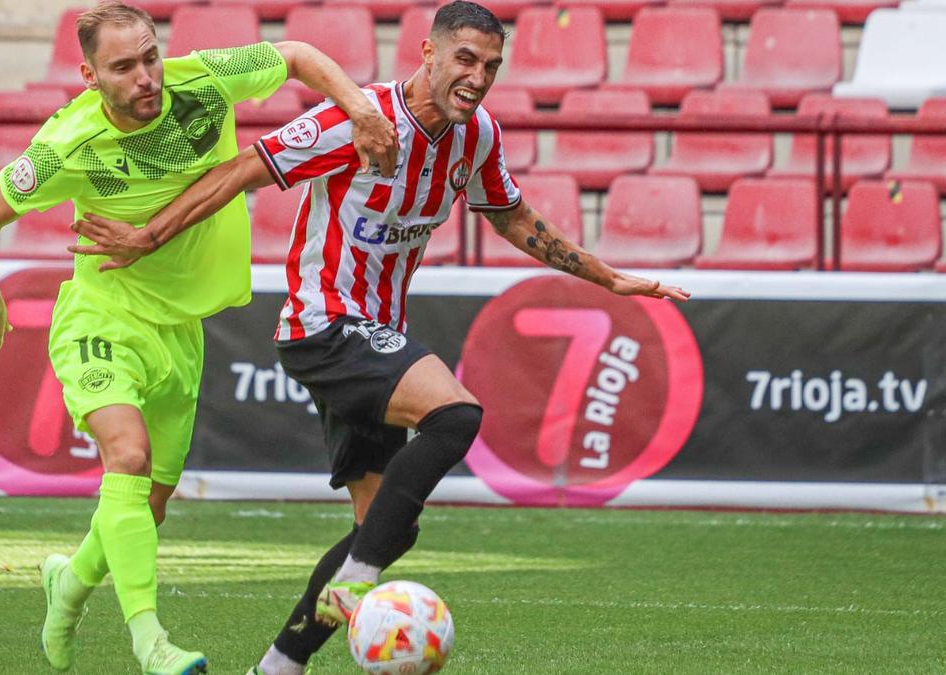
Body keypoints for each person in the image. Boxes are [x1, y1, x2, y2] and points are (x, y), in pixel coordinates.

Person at [68, 2, 690, 673]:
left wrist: (609, 278)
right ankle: (358, 573)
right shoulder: (358, 119)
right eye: (465, 60)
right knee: (456, 415)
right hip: (324, 324)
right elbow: (245, 168)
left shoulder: (475, 135)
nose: (477, 78)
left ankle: (277, 665)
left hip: (375, 334)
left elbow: (510, 215)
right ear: (428, 51)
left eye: (490, 66)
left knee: (387, 524)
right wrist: (149, 234)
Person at [0, 2, 399, 673]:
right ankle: (150, 642)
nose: (146, 76)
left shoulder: (201, 82)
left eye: (149, 57)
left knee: (149, 507)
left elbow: (301, 56)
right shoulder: (66, 145)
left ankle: (68, 584)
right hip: (101, 319)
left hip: (180, 331)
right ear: (88, 75)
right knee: (126, 458)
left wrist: (359, 108)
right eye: (124, 66)